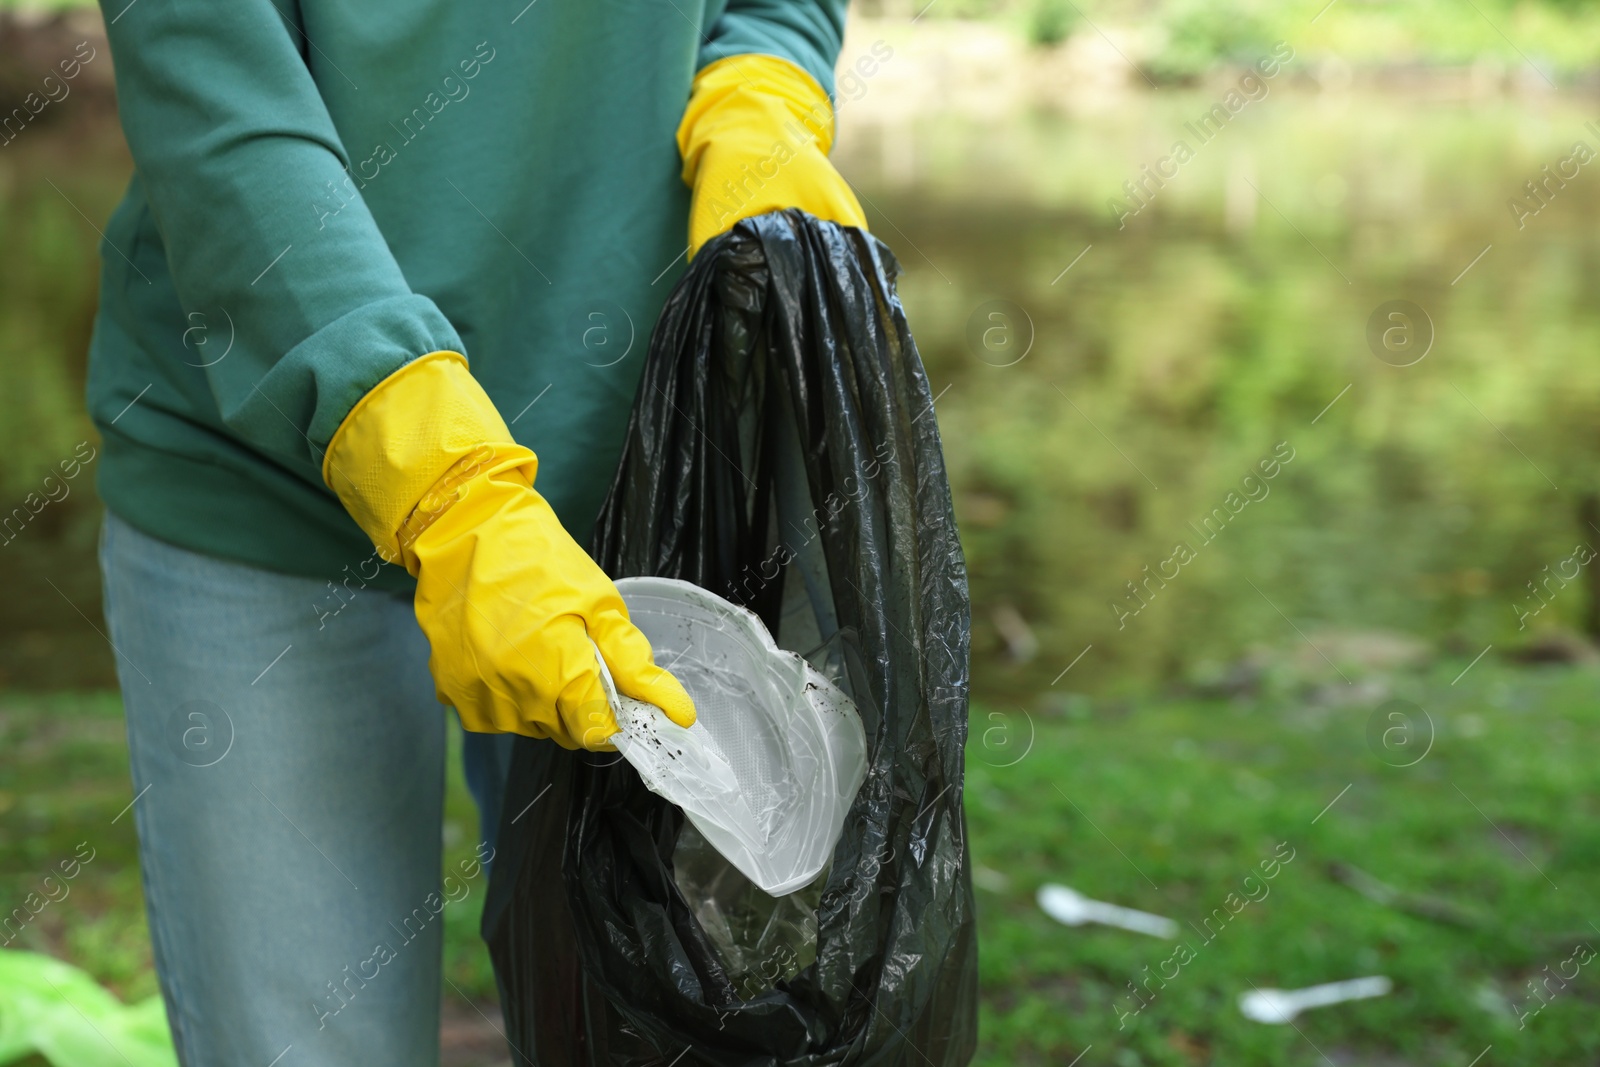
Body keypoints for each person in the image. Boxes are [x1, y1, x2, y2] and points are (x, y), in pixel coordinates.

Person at [86, 0, 867, 1061]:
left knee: (649, 1031)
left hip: (624, 489)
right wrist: (441, 485)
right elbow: (219, 99)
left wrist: (760, 88)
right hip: (264, 485)